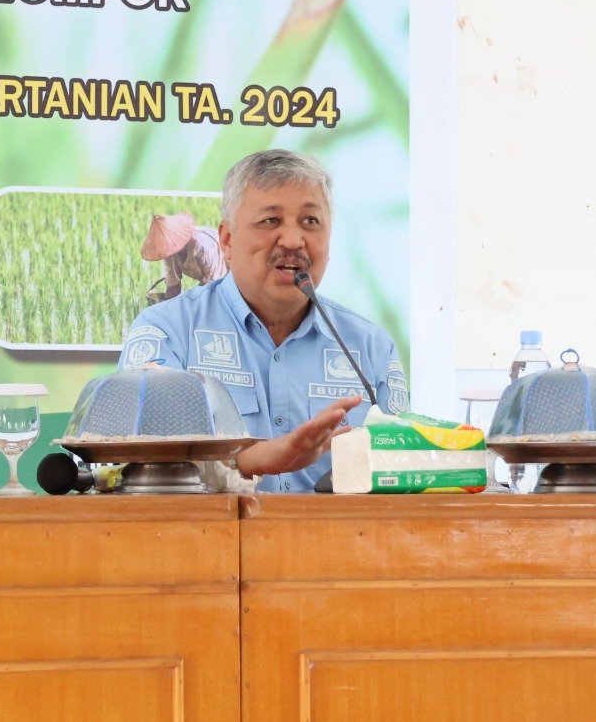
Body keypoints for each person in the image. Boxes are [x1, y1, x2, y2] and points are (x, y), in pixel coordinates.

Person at [119, 149, 409, 492]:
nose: (292, 240)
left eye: (310, 221)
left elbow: (402, 470)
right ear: (227, 240)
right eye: (271, 221)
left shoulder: (369, 347)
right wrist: (252, 460)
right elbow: (139, 467)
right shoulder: (167, 331)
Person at [141, 211, 228, 304]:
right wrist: (168, 307)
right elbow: (173, 285)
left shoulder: (202, 248)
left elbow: (210, 286)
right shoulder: (168, 253)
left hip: (226, 261)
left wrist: (189, 304)